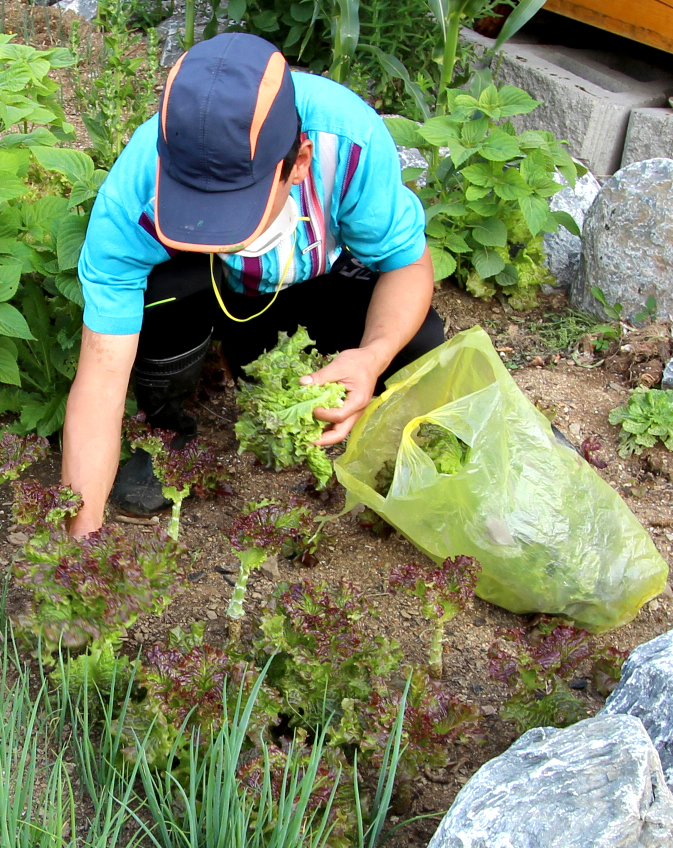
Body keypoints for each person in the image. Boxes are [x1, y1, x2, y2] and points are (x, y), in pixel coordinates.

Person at [62, 32, 444, 536]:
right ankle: (165, 427)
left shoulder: (348, 141)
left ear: (298, 163)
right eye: (194, 205)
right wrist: (80, 543)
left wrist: (373, 356)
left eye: (236, 207)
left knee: (419, 340)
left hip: (307, 283)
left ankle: (267, 362)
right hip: (207, 291)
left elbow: (408, 265)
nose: (213, 226)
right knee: (161, 289)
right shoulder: (132, 193)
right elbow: (99, 382)